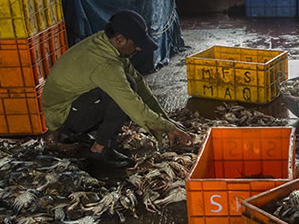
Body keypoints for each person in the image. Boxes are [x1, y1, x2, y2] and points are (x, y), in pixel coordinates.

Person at [41, 10, 190, 167]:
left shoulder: (107, 43)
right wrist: (168, 128)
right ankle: (100, 149)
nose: (139, 48)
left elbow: (140, 85)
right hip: (62, 114)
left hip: (71, 105)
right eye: (136, 44)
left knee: (131, 84)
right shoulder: (105, 64)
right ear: (120, 39)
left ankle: (69, 135)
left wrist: (166, 121)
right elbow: (134, 107)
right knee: (123, 95)